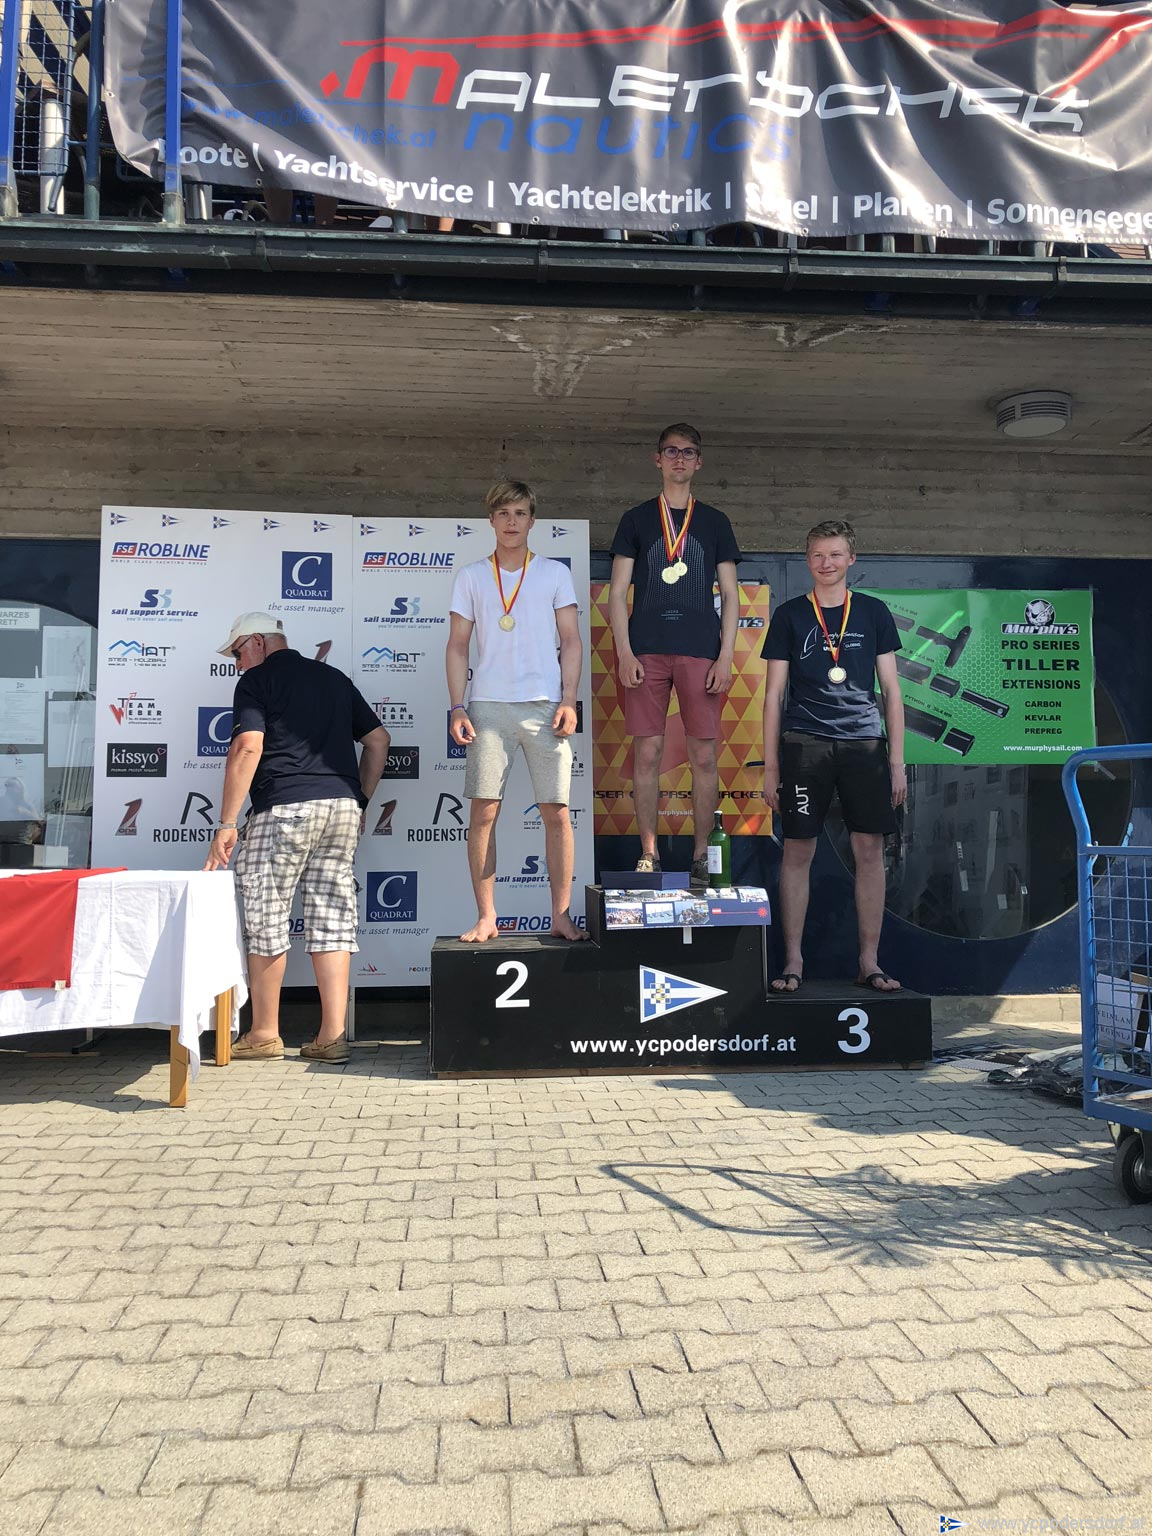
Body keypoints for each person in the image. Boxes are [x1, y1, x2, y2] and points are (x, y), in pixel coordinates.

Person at [204, 612, 390, 1061]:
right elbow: (379, 740)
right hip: (341, 808)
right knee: (333, 918)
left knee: (265, 917)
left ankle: (264, 1033)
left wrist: (226, 824)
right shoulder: (333, 678)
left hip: (283, 808)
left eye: (237, 653)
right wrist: (360, 801)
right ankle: (332, 1037)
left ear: (257, 642)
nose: (236, 664)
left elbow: (247, 747)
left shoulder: (256, 681)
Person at [760, 520, 907, 993]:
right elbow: (773, 695)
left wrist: (897, 763)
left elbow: (892, 692)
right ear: (808, 560)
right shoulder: (789, 615)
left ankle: (869, 961)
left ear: (852, 560)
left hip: (864, 743)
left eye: (836, 554)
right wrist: (771, 766)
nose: (827, 563)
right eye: (819, 555)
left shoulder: (873, 612)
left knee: (869, 851)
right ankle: (793, 960)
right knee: (798, 849)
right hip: (805, 742)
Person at [446, 481, 585, 944]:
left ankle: (560, 916)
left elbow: (571, 641)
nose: (511, 521)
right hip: (488, 706)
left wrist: (568, 699)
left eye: (520, 513)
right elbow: (458, 645)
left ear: (532, 521)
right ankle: (486, 916)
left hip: (546, 705)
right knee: (484, 812)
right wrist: (457, 706)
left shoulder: (553, 573)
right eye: (503, 513)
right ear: (491, 520)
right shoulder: (470, 576)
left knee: (557, 813)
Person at [608, 423, 741, 883]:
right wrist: (624, 653)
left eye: (687, 452)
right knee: (647, 754)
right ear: (657, 459)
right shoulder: (636, 520)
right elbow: (617, 593)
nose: (679, 459)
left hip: (700, 653)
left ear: (699, 462)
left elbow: (731, 594)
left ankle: (702, 855)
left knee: (703, 756)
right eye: (671, 451)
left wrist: (726, 657)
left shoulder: (715, 522)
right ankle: (649, 854)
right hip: (646, 653)